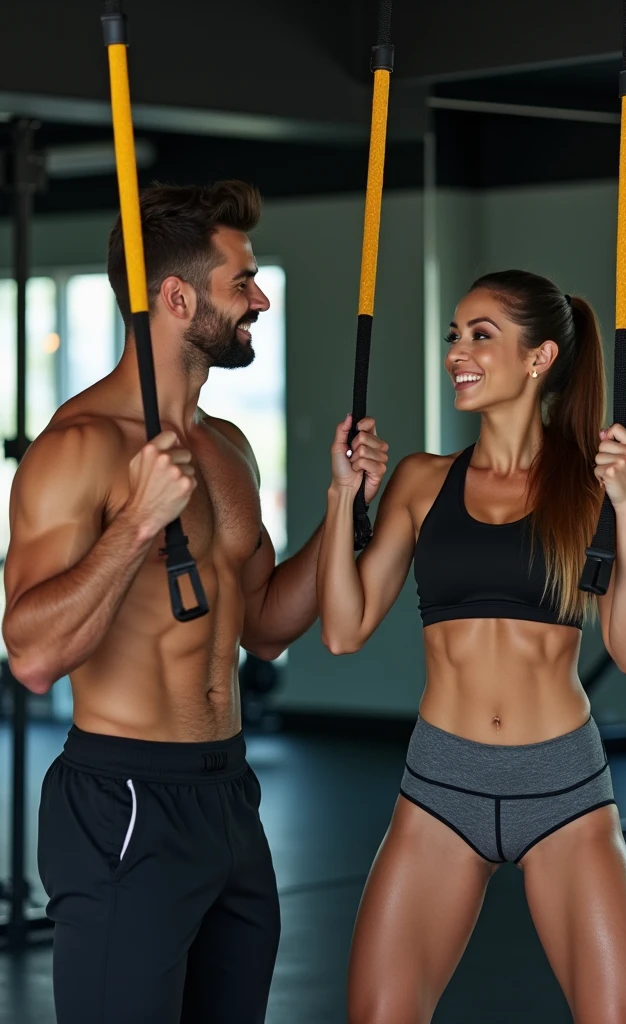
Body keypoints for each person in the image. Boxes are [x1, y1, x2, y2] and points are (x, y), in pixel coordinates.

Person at [1, 179, 388, 1024]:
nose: (261, 297)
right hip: (125, 800)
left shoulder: (229, 449)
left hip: (229, 798)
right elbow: (31, 657)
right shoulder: (76, 450)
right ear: (176, 298)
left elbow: (267, 628)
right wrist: (136, 525)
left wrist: (339, 509)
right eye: (241, 281)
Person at [317, 270, 626, 1024]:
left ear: (540, 358)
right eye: (454, 335)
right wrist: (344, 496)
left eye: (481, 336)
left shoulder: (592, 486)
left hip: (564, 786)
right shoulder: (420, 481)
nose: (457, 352)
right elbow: (343, 631)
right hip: (442, 783)